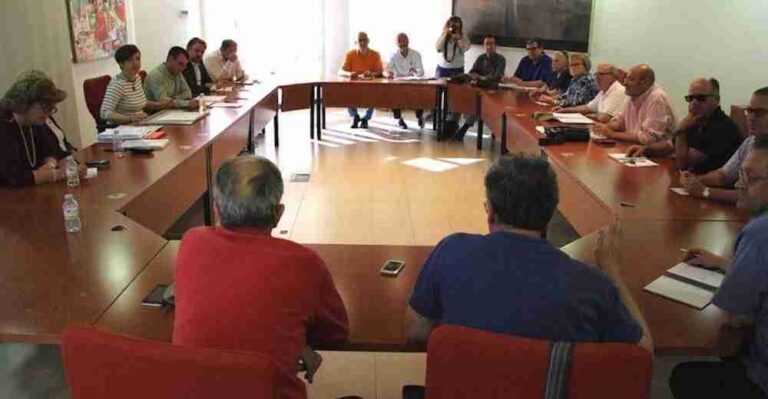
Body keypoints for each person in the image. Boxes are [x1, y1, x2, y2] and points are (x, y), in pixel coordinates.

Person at [405, 154, 653, 354]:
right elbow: (642, 354)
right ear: (551, 214)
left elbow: (416, 332)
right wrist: (613, 273)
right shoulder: (592, 284)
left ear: (490, 212)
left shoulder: (451, 251)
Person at [173, 155, 349, 399]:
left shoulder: (191, 242)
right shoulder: (304, 263)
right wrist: (295, 343)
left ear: (216, 208)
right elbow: (336, 333)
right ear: (278, 214)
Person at [669, 134, 768, 399]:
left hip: (759, 380)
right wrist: (725, 264)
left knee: (683, 376)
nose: (740, 183)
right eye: (743, 174)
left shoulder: (759, 233)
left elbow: (735, 323)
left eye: (753, 178)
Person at [679, 87, 768, 204]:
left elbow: (753, 196)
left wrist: (705, 191)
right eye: (749, 111)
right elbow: (723, 175)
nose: (751, 118)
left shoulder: (722, 127)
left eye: (759, 113)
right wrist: (693, 180)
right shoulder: (750, 141)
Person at [0, 70, 85, 187]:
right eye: (45, 107)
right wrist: (61, 174)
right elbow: (14, 177)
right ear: (25, 102)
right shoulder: (4, 124)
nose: (49, 113)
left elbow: (55, 150)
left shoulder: (34, 121)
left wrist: (52, 164)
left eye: (52, 108)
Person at [593, 64, 677, 155]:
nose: (624, 83)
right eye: (626, 78)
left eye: (630, 79)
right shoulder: (634, 94)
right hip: (634, 149)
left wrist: (612, 134)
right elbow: (621, 122)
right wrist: (607, 127)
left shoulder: (657, 98)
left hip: (658, 157)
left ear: (645, 82)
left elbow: (648, 138)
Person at [674, 77, 743, 174]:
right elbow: (672, 148)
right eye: (690, 98)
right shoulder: (695, 121)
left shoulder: (724, 127)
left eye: (700, 98)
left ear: (717, 100)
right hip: (694, 181)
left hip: (714, 185)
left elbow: (683, 164)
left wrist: (681, 130)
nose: (694, 103)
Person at [453, 36, 507, 140]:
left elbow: (496, 77)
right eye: (487, 44)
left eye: (491, 44)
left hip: (492, 90)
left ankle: (465, 128)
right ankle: (452, 123)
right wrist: (473, 76)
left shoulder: (501, 59)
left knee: (478, 104)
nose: (489, 46)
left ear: (496, 46)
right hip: (478, 87)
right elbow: (472, 71)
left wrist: (479, 77)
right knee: (459, 95)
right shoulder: (481, 58)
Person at [101, 44, 169, 126]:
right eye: (130, 60)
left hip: (140, 124)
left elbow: (140, 102)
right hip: (123, 128)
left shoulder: (137, 78)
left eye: (137, 59)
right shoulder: (117, 85)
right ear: (121, 64)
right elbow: (104, 113)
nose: (135, 63)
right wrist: (130, 118)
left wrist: (158, 105)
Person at [555, 62, 628, 122]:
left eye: (602, 74)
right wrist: (565, 110)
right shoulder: (603, 91)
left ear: (613, 76)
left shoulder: (618, 90)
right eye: (597, 74)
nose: (597, 77)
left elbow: (605, 118)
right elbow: (588, 107)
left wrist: (592, 114)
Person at [339, 31, 383, 129]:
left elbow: (380, 72)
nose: (362, 43)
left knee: (373, 93)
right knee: (346, 92)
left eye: (364, 40)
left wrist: (371, 73)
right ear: (356, 42)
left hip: (369, 85)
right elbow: (341, 71)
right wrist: (349, 74)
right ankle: (355, 116)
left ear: (368, 41)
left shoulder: (375, 54)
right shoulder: (350, 54)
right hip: (354, 85)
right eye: (360, 40)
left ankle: (365, 119)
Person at [386, 33, 425, 129]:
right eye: (400, 41)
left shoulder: (416, 54)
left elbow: (421, 72)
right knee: (392, 95)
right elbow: (388, 70)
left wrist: (415, 71)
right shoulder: (393, 55)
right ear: (396, 43)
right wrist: (389, 73)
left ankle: (420, 117)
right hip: (398, 84)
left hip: (413, 83)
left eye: (404, 40)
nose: (402, 43)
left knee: (419, 95)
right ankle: (398, 119)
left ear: (408, 41)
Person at [532, 53, 598, 107]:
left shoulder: (586, 80)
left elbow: (575, 103)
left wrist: (553, 102)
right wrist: (550, 98)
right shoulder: (575, 79)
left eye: (576, 64)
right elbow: (566, 95)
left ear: (586, 65)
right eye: (571, 65)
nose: (573, 67)